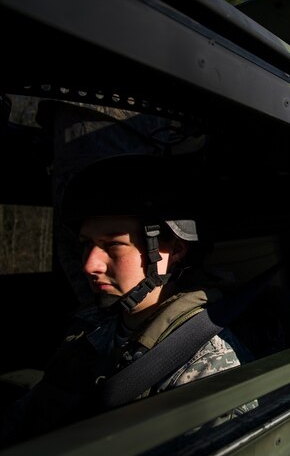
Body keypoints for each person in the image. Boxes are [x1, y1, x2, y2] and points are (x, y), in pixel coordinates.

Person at [0, 152, 254, 448]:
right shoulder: (91, 326)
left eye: (113, 245)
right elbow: (31, 412)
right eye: (87, 245)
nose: (89, 265)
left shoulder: (204, 365)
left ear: (175, 250)